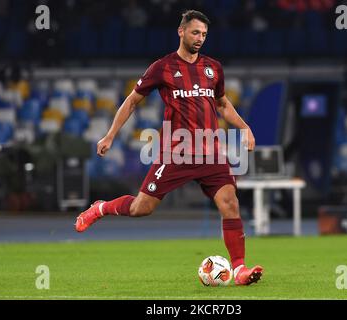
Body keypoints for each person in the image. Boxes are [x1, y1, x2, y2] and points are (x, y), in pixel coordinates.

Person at [75, 10, 263, 285]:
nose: (200, 39)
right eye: (195, 33)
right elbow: (131, 101)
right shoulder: (162, 67)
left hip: (210, 151)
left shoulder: (213, 68)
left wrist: (245, 127)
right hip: (176, 152)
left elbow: (222, 105)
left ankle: (239, 270)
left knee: (230, 203)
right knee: (142, 208)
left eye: (204, 35)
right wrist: (110, 135)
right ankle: (101, 208)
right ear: (181, 31)